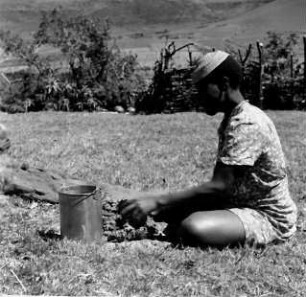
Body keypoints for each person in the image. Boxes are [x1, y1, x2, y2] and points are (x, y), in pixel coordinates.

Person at [119, 50, 297, 248]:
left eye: (202, 89)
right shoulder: (234, 117)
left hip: (267, 216)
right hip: (237, 204)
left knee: (192, 227)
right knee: (169, 210)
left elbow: (219, 186)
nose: (198, 97)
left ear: (223, 83)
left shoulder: (248, 123)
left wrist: (160, 200)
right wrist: (162, 202)